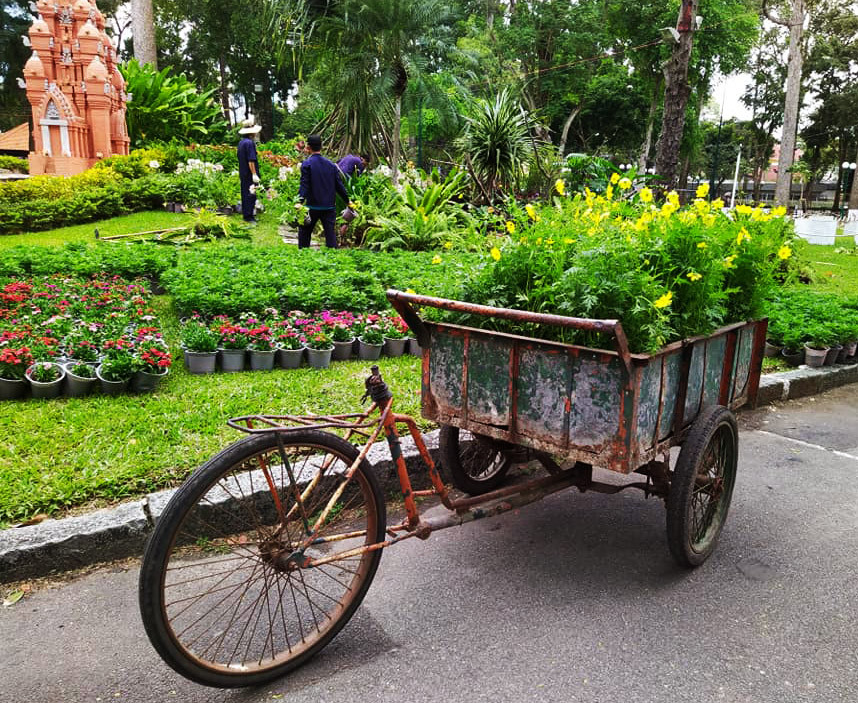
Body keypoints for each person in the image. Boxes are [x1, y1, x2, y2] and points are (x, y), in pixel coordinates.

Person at [298, 134, 349, 248]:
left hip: (312, 207)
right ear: (321, 147)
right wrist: (348, 201)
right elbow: (339, 185)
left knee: (304, 232)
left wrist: (299, 201)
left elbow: (304, 185)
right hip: (329, 207)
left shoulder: (307, 164)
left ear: (308, 147)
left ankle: (302, 256)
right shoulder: (331, 165)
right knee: (330, 234)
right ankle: (333, 258)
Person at [237, 117, 262, 223]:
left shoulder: (241, 142)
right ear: (251, 133)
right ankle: (249, 216)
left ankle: (246, 214)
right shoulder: (250, 143)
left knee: (245, 193)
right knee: (251, 194)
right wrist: (254, 174)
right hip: (249, 173)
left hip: (243, 172)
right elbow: (251, 160)